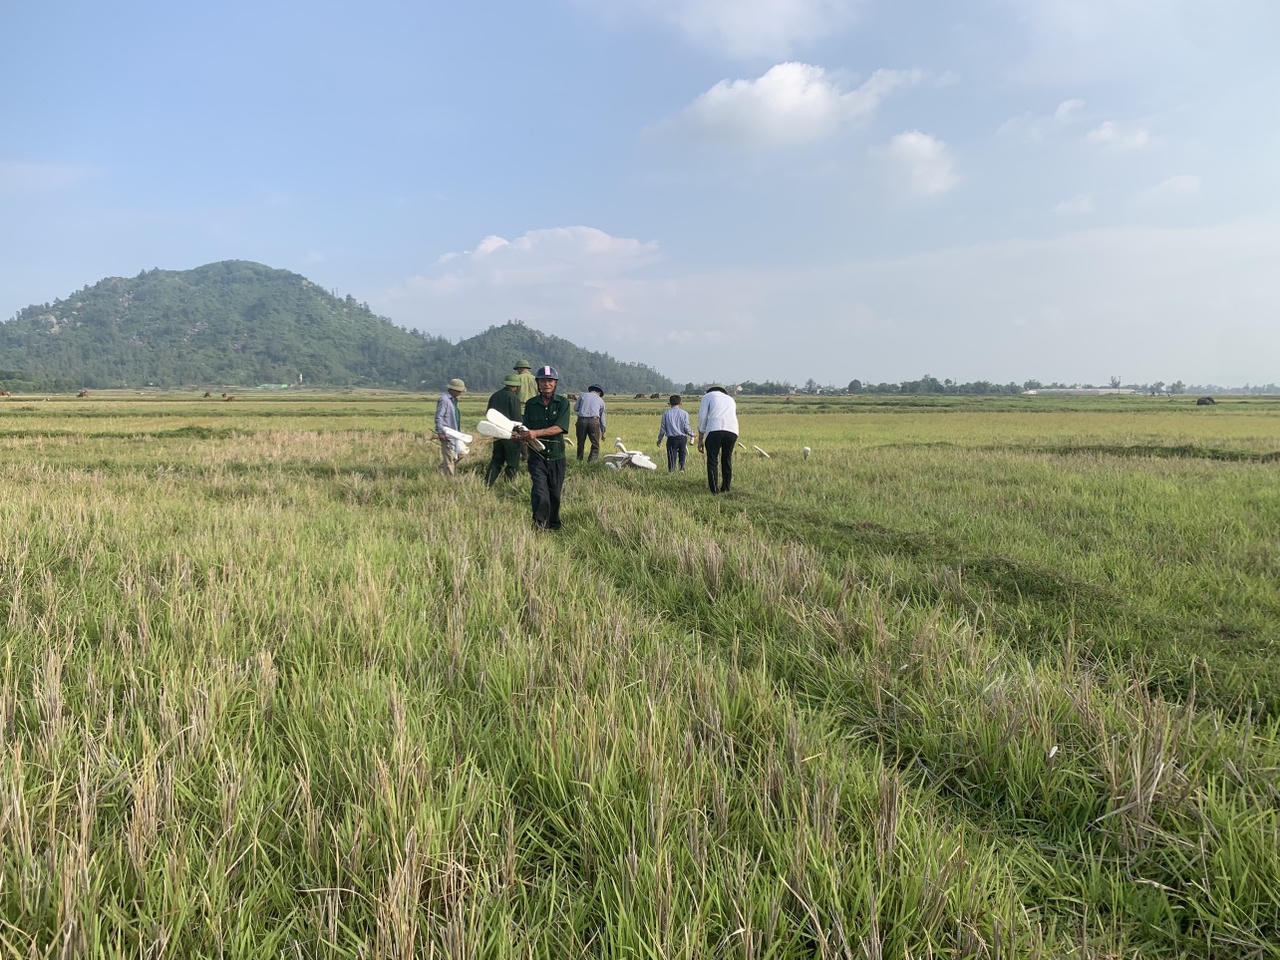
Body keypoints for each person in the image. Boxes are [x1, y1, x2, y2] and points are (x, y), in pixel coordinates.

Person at [519, 365, 570, 529]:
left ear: (555, 383)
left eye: (550, 381)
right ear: (538, 383)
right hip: (537, 457)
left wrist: (536, 433)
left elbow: (560, 427)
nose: (546, 384)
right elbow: (526, 428)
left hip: (556, 457)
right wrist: (522, 435)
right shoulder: (531, 404)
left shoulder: (563, 403)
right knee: (540, 493)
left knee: (555, 494)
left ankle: (554, 525)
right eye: (543, 381)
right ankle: (539, 525)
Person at [696, 384, 739, 494]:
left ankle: (714, 490)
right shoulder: (730, 399)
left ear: (709, 391)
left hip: (715, 429)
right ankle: (726, 488)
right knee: (726, 459)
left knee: (712, 460)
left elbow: (703, 417)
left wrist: (701, 438)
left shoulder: (707, 397)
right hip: (732, 430)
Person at [485, 374, 523, 486]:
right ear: (516, 386)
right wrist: (520, 433)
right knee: (512, 463)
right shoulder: (513, 398)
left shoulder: (494, 396)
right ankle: (508, 485)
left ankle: (487, 484)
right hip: (511, 435)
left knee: (496, 460)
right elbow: (517, 419)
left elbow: (488, 414)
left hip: (497, 434)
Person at [434, 378, 466, 477]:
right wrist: (440, 432)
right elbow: (439, 416)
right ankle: (450, 479)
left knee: (461, 453)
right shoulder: (444, 400)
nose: (460, 393)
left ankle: (440, 469)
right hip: (446, 433)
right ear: (453, 390)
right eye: (459, 391)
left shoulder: (453, 400)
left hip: (455, 432)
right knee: (449, 457)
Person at [657, 394, 692, 471]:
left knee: (671, 457)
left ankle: (671, 471)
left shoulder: (666, 414)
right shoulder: (685, 413)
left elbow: (662, 429)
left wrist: (659, 440)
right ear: (680, 403)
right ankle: (682, 469)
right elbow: (686, 427)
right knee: (682, 454)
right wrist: (692, 434)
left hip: (671, 439)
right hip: (682, 438)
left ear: (670, 403)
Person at [573, 384, 606, 462]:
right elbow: (602, 418)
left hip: (581, 420)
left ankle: (579, 461)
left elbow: (576, 408)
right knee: (595, 444)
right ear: (599, 392)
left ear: (591, 390)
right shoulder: (601, 400)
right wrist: (603, 432)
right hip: (594, 421)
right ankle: (591, 463)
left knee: (580, 443)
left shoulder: (582, 396)